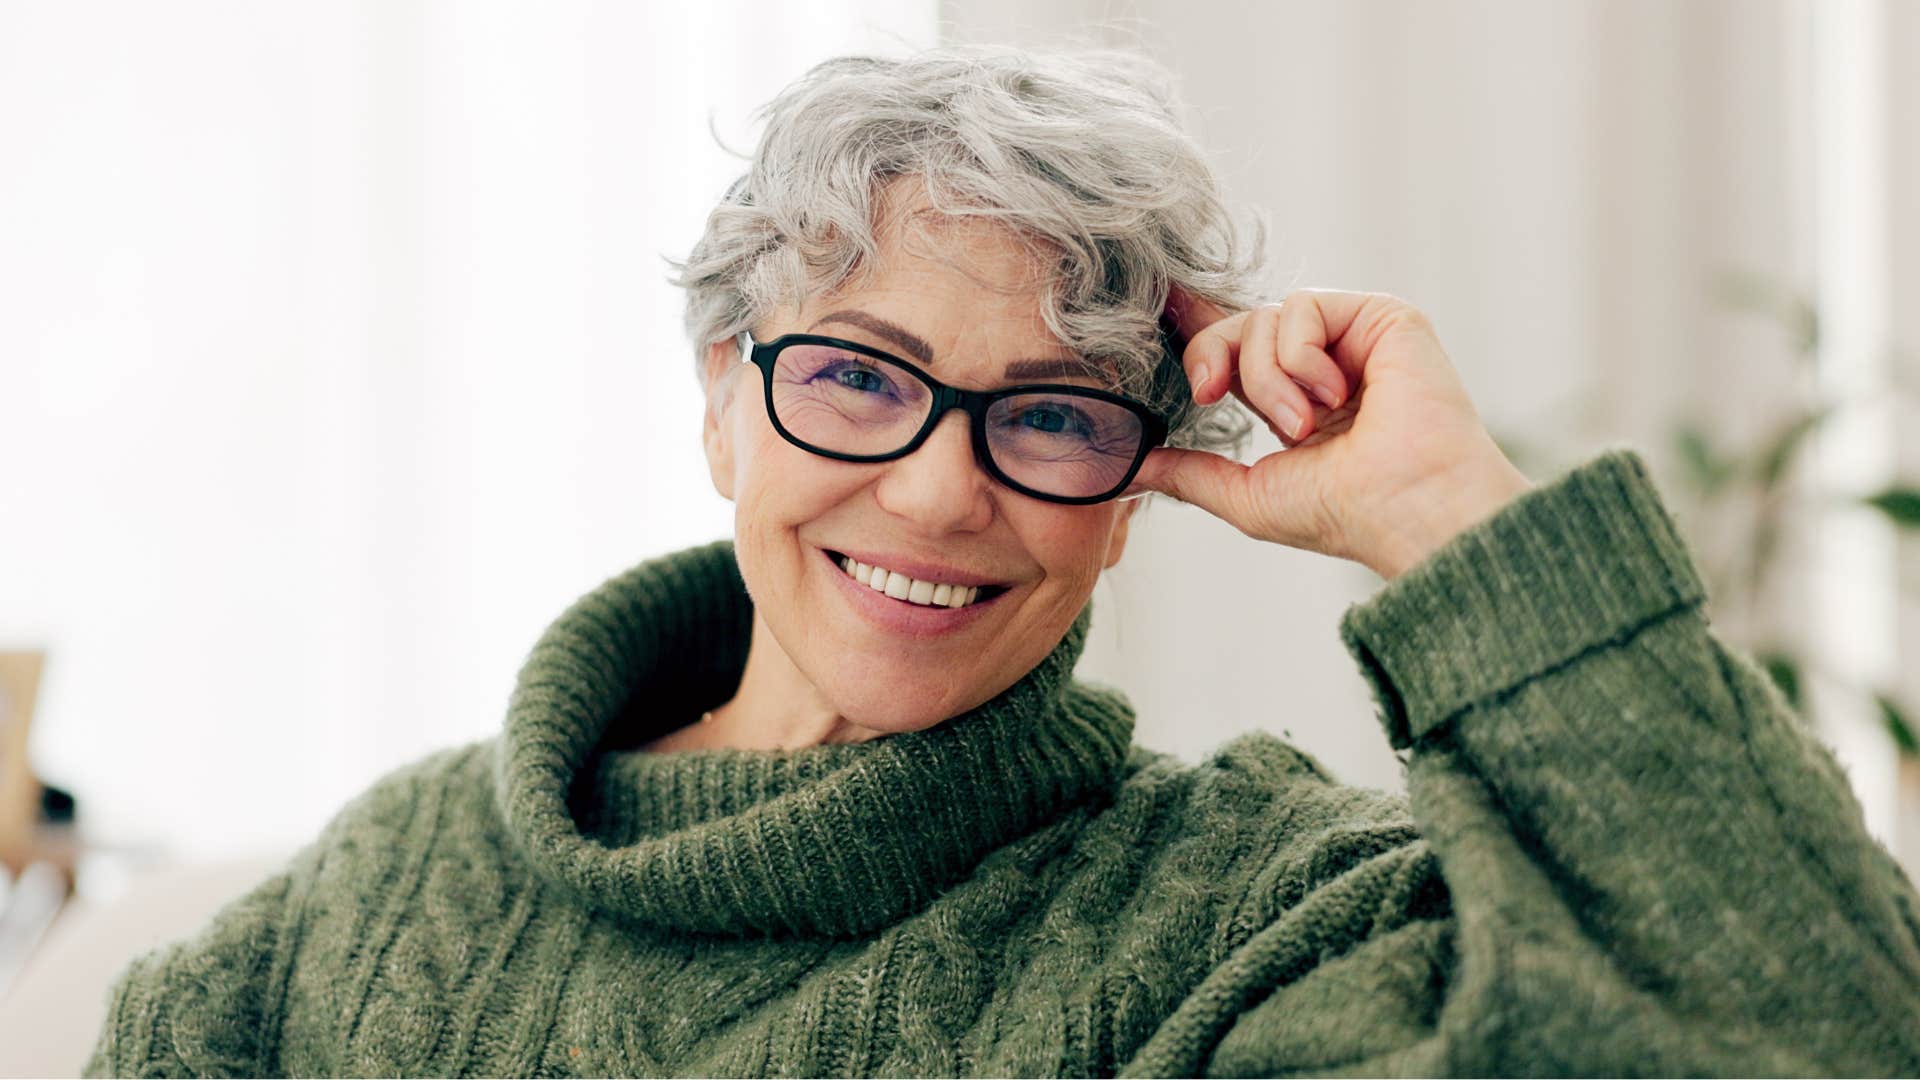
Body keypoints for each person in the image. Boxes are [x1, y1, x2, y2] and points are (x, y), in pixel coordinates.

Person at [86, 45, 1919, 1078]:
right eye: (863, 378)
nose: (946, 496)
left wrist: (1453, 525)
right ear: (722, 404)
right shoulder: (394, 888)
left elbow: (1823, 1039)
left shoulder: (1247, 917)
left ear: (1136, 486)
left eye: (1049, 415)